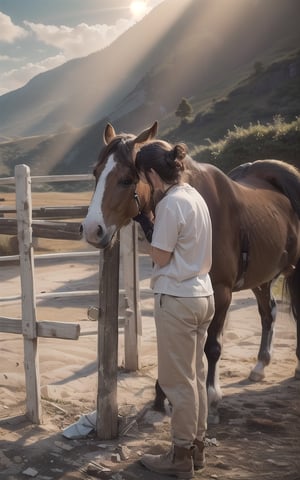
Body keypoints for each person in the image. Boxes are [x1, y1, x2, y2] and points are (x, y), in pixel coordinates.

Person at [133, 140, 215, 479]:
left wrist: (145, 223)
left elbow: (162, 256)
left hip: (177, 299)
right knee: (195, 377)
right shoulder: (195, 196)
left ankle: (180, 457)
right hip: (202, 294)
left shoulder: (170, 205)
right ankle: (196, 448)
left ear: (152, 174)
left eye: (144, 177)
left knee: (176, 382)